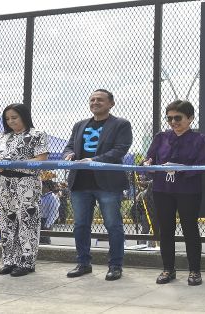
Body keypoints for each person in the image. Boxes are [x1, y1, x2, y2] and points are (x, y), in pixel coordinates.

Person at [63, 89, 132, 280]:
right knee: (80, 226)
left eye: (100, 100)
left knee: (113, 225)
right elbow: (69, 146)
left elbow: (120, 150)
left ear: (111, 104)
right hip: (80, 182)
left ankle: (115, 265)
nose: (95, 102)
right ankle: (83, 263)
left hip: (108, 183)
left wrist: (93, 160)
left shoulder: (121, 124)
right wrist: (68, 155)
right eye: (92, 99)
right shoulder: (79, 125)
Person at [143, 100, 205, 286]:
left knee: (190, 230)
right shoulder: (160, 137)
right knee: (165, 230)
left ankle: (195, 271)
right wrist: (148, 165)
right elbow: (149, 159)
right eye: (169, 118)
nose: (173, 122)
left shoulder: (200, 139)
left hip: (188, 190)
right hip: (162, 189)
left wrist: (180, 169)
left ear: (190, 118)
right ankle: (168, 269)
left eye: (178, 118)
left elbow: (202, 166)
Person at [0, 103, 48, 277]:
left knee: (27, 221)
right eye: (7, 119)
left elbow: (42, 159)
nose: (11, 121)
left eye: (14, 117)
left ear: (24, 116)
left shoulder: (37, 134)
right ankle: (9, 261)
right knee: (6, 221)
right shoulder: (1, 136)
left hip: (27, 181)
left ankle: (27, 262)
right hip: (3, 181)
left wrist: (16, 164)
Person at [40, 180, 59, 245]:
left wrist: (47, 224)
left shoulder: (52, 197)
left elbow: (53, 212)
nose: (41, 186)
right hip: (39, 220)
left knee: (45, 241)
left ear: (47, 187)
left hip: (46, 220)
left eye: (42, 185)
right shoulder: (41, 196)